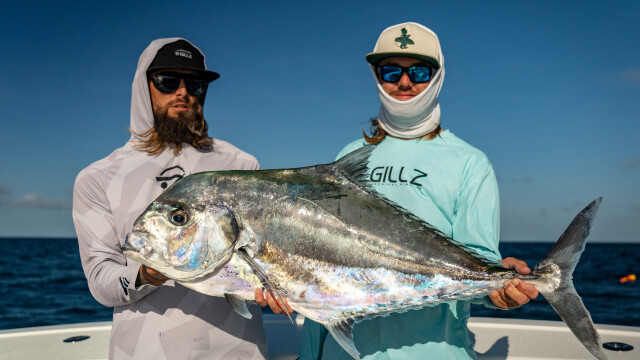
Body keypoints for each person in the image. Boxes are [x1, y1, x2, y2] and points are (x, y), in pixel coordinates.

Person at [298, 22, 539, 359]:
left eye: (419, 71)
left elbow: (479, 262)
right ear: (376, 76)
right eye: (391, 71)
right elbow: (323, 258)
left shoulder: (469, 162)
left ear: (437, 76)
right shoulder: (347, 157)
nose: (405, 82)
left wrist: (497, 288)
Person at [73, 38, 289, 360]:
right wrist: (146, 275)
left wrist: (281, 285)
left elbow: (269, 254)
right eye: (167, 81)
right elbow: (101, 279)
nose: (183, 92)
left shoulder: (242, 165)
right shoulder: (98, 177)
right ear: (143, 87)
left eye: (196, 84)